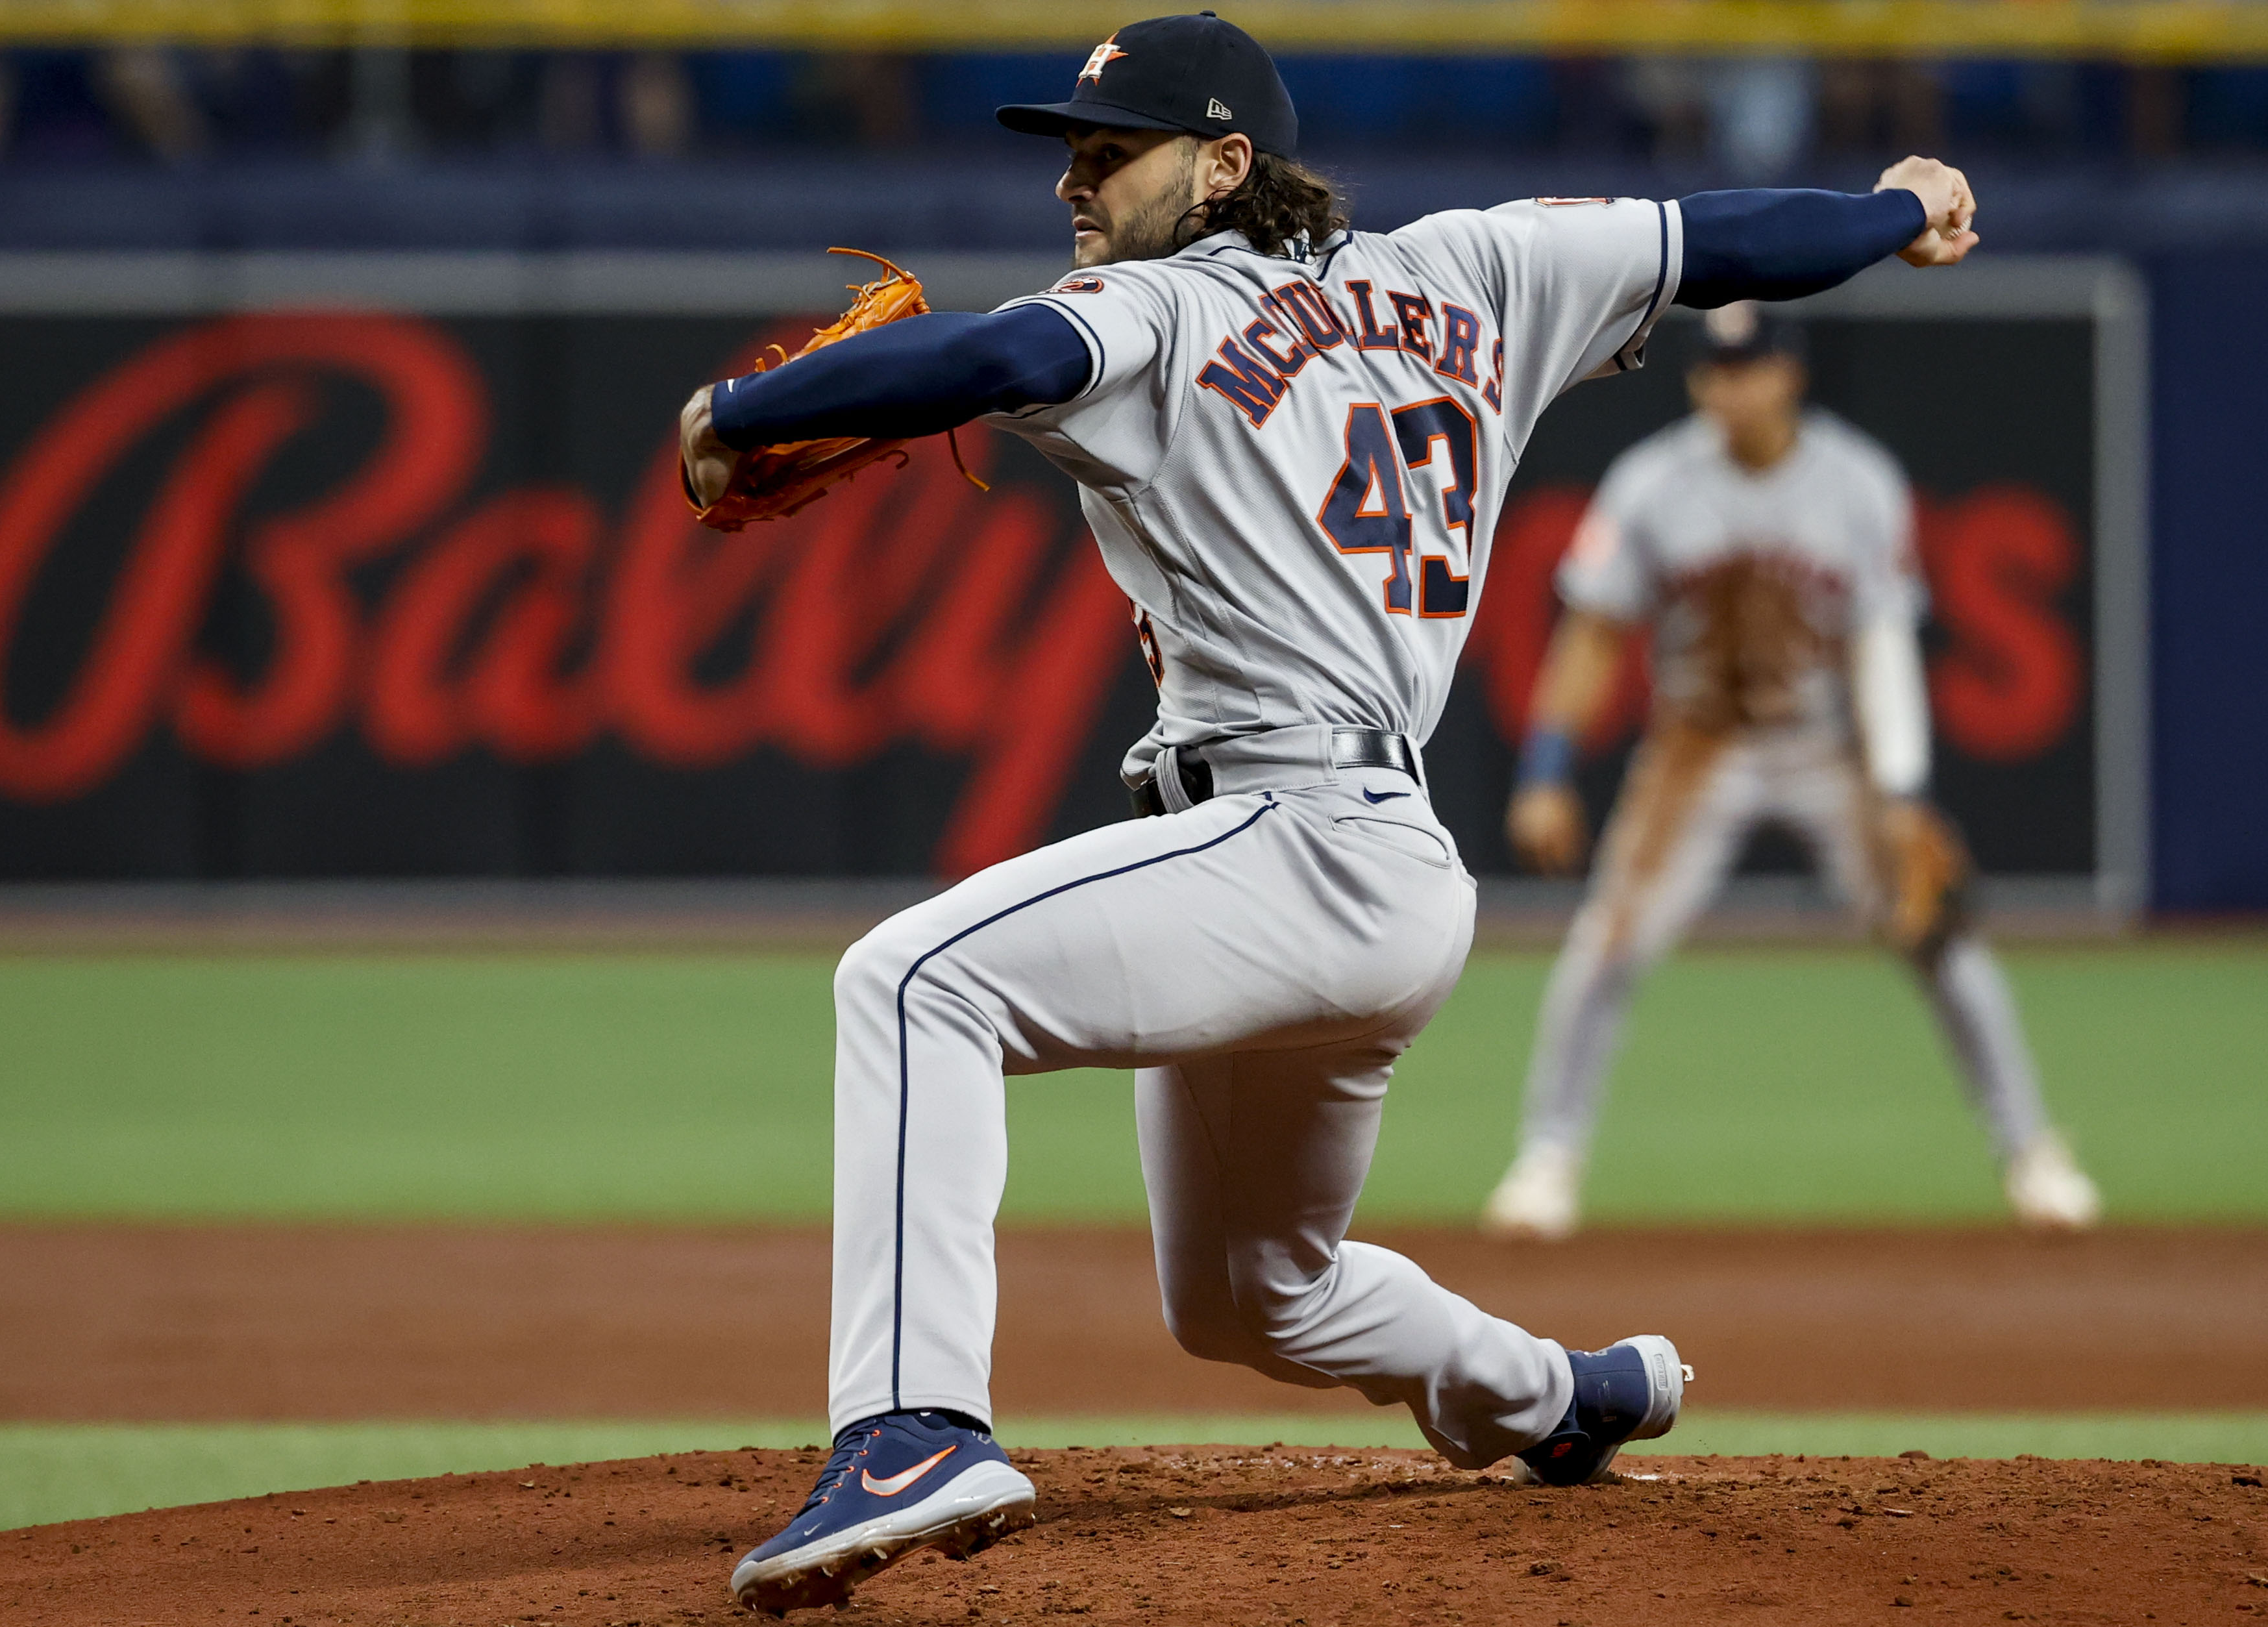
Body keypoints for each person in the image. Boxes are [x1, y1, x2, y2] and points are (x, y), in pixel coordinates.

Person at [676, 14, 1980, 1615]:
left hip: (1287, 833)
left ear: (1225, 162)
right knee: (1252, 1293)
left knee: (913, 980)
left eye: (1111, 152)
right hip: (1381, 872)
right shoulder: (1476, 270)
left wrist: (746, 414)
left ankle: (910, 1432)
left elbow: (1004, 356)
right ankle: (1560, 1393)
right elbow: (1719, 241)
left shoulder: (1155, 305)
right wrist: (1894, 211)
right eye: (1072, 154)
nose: (1076, 185)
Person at [1481, 303, 2102, 1241]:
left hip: (1825, 747)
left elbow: (1883, 647)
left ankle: (2032, 1151)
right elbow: (1595, 634)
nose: (1730, 386)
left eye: (1750, 368)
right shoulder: (1653, 484)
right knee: (1609, 942)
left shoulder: (1855, 482)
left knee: (1944, 936)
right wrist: (1547, 768)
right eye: (1715, 370)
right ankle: (1548, 1158)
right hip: (1697, 747)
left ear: (1789, 376)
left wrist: (1900, 793)